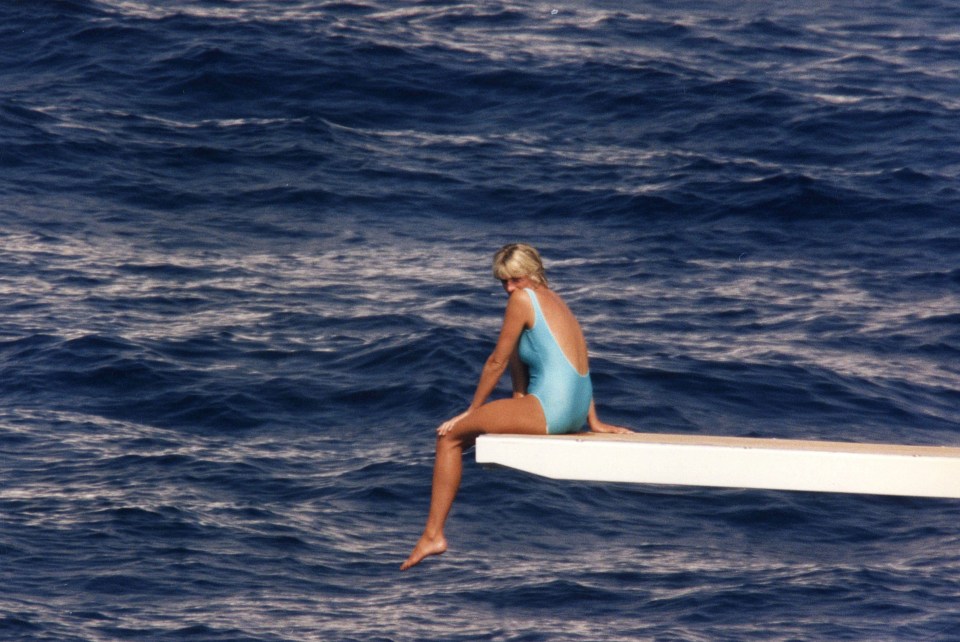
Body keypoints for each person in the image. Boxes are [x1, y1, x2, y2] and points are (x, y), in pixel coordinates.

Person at [401, 243, 631, 571]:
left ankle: (433, 535)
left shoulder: (523, 300)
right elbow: (574, 363)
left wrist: (472, 411)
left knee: (449, 438)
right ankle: (433, 533)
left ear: (533, 272)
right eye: (503, 282)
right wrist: (593, 420)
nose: (509, 288)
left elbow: (495, 362)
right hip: (575, 408)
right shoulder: (557, 302)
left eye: (515, 279)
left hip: (553, 408)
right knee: (515, 360)